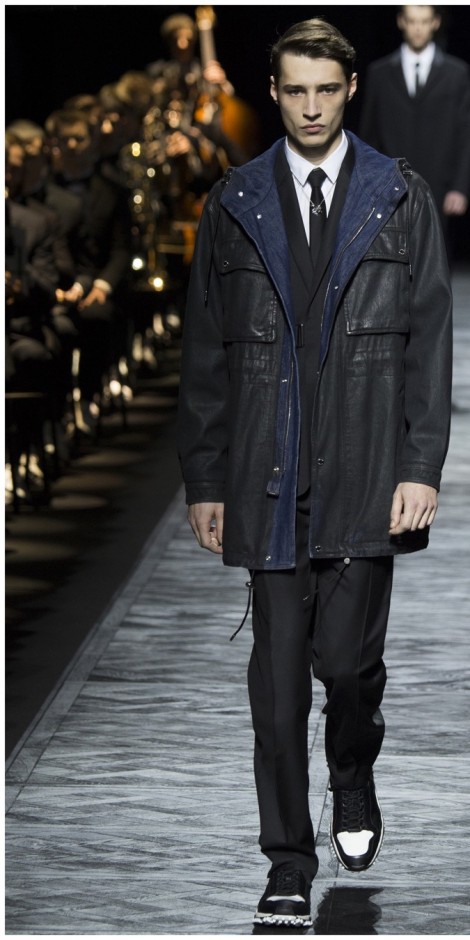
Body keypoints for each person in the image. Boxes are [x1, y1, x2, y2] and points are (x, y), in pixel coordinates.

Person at [177, 17, 453, 928]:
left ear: (350, 90)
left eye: (325, 90)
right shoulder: (234, 203)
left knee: (349, 667)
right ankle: (287, 865)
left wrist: (420, 465)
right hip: (268, 473)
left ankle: (353, 769)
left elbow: (428, 342)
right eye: (295, 90)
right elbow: (206, 352)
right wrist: (205, 477)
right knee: (278, 690)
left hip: (368, 470)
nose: (310, 107)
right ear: (274, 91)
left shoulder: (398, 197)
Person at [359, 5, 470, 263]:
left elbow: (465, 133)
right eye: (412, 21)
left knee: (435, 261)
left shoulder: (456, 73)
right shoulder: (379, 73)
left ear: (435, 23)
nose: (418, 28)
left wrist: (460, 187)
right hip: (390, 183)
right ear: (401, 22)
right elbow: (369, 134)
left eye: (424, 21)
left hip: (440, 185)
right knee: (391, 261)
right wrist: (368, 185)